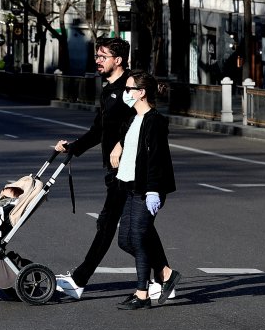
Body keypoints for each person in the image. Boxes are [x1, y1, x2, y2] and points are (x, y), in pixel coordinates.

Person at [52, 37, 132, 300]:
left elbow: (142, 120)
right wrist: (73, 147)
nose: (97, 61)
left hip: (129, 169)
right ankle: (164, 275)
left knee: (108, 223)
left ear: (117, 61)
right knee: (137, 228)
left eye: (102, 56)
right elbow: (98, 130)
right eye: (97, 56)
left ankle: (79, 279)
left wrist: (121, 144)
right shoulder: (107, 89)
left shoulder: (130, 87)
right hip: (113, 169)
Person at [109, 70, 181, 309]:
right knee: (125, 240)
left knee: (138, 238)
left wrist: (153, 190)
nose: (124, 93)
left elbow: (157, 159)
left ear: (141, 93)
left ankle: (142, 294)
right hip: (128, 186)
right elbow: (127, 140)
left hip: (146, 189)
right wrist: (117, 148)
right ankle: (166, 273)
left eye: (128, 89)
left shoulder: (155, 121)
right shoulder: (131, 119)